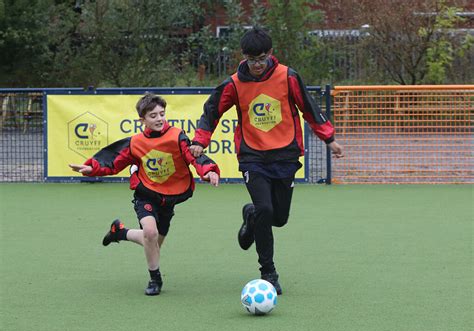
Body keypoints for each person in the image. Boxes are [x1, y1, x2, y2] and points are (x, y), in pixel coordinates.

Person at [189, 28, 343, 295]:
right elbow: (212, 111)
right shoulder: (234, 83)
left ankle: (251, 216)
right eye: (252, 60)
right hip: (253, 158)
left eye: (261, 58)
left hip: (285, 156)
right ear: (244, 57)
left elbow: (308, 107)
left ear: (271, 54)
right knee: (266, 209)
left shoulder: (288, 76)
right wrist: (200, 140)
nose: (257, 65)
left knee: (279, 217)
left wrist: (328, 138)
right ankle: (268, 272)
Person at [70, 93, 220, 296]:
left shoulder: (177, 136)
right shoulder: (135, 143)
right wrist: (92, 168)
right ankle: (155, 280)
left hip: (169, 198)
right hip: (146, 194)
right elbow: (114, 161)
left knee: (153, 242)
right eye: (153, 115)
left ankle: (120, 232)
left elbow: (194, 157)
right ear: (142, 120)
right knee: (150, 234)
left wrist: (208, 170)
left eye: (162, 114)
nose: (159, 119)